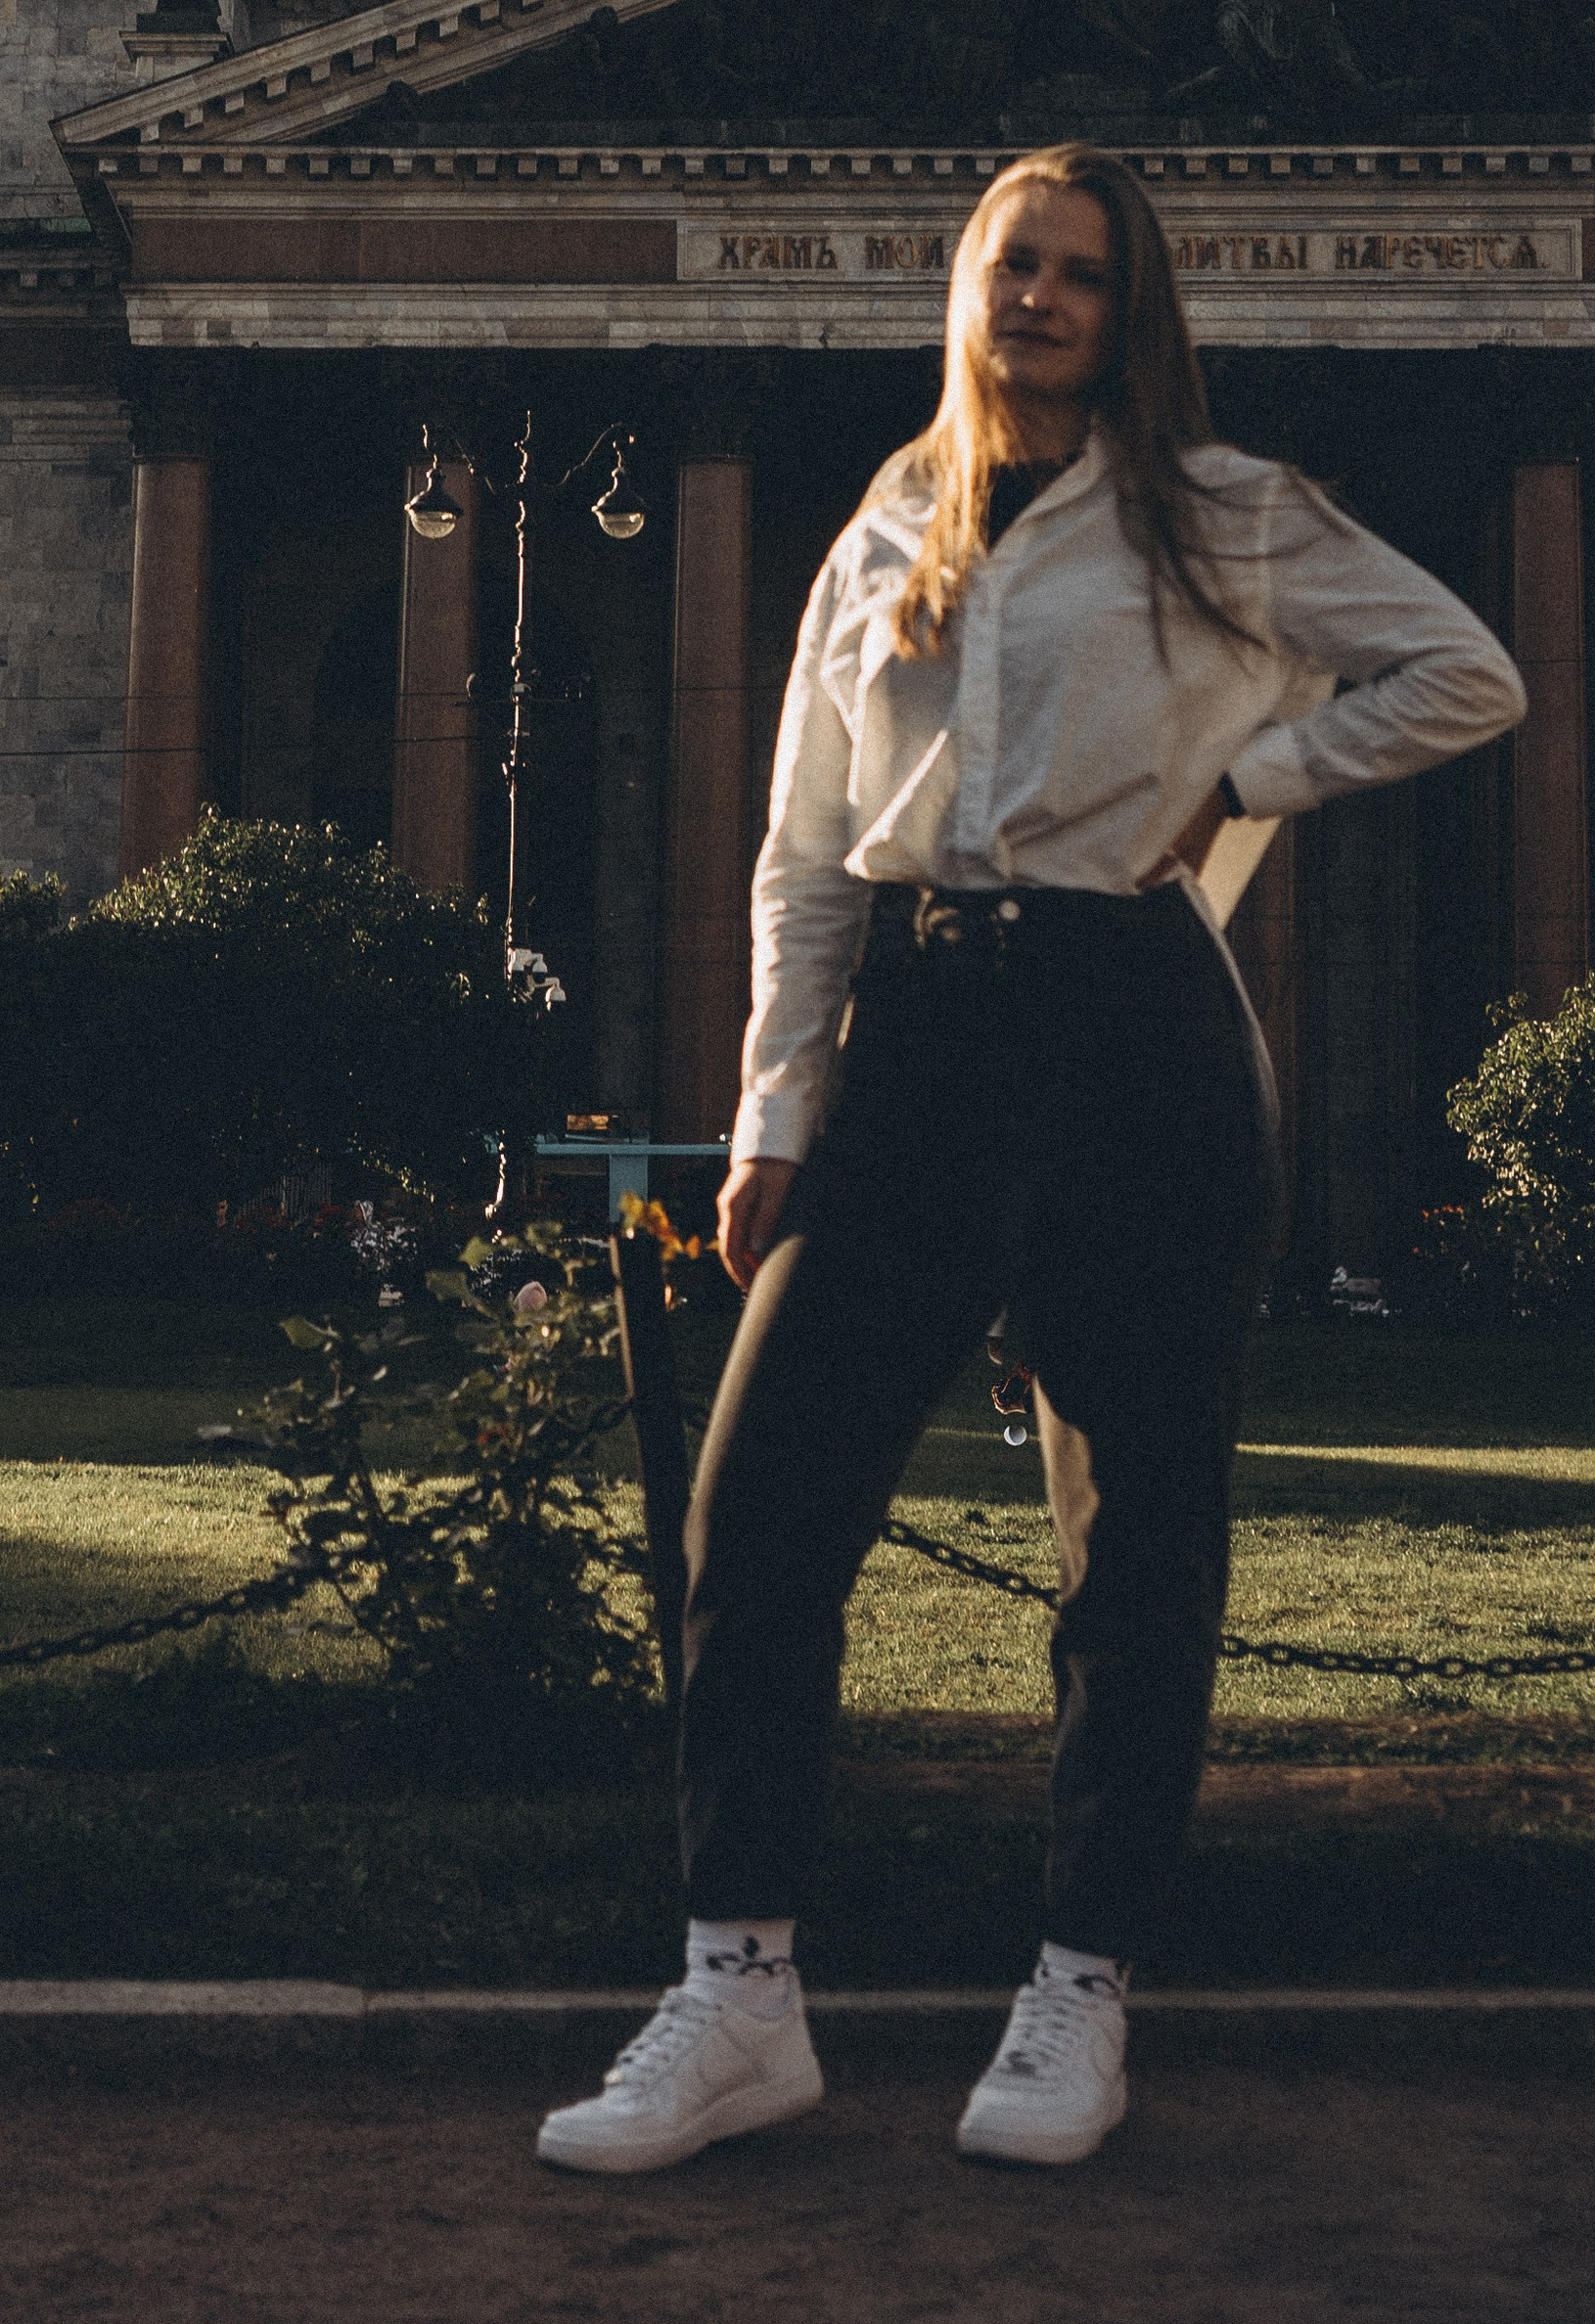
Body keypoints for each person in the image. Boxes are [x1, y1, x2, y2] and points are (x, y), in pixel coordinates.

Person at [539, 144, 1526, 2178]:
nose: (1041, 299)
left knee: (1132, 1544)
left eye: (1080, 273)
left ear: (1129, 308)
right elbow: (804, 853)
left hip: (1130, 1038)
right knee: (755, 1514)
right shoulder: (887, 523)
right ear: (964, 290)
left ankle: (1080, 1991)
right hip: (910, 1035)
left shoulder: (1221, 515)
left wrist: (1246, 781)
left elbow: (1465, 672)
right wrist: (772, 1112)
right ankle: (737, 1997)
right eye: (1012, 266)